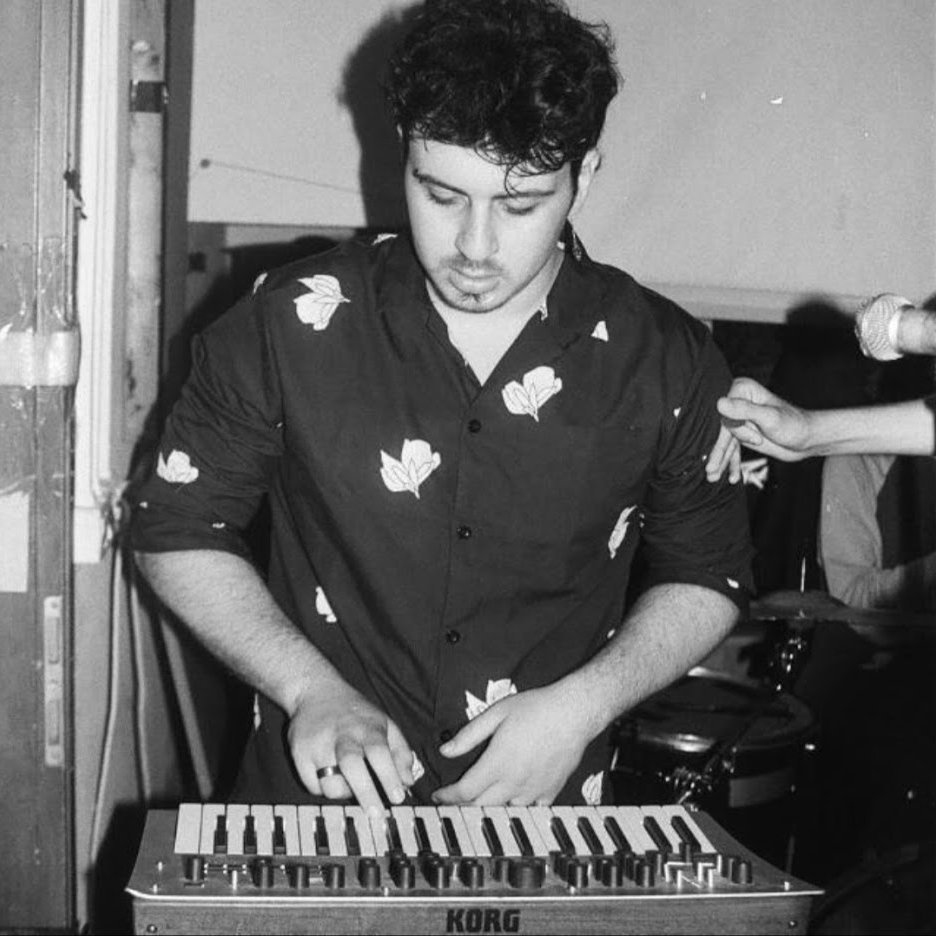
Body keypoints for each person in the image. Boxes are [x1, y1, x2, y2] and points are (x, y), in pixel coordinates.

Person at [130, 0, 753, 813]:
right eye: (442, 195)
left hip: (542, 810)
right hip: (314, 807)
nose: (475, 247)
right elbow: (176, 527)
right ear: (403, 152)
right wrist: (309, 688)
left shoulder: (667, 357)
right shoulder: (285, 322)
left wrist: (584, 706)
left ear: (586, 176)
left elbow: (710, 572)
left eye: (520, 205)